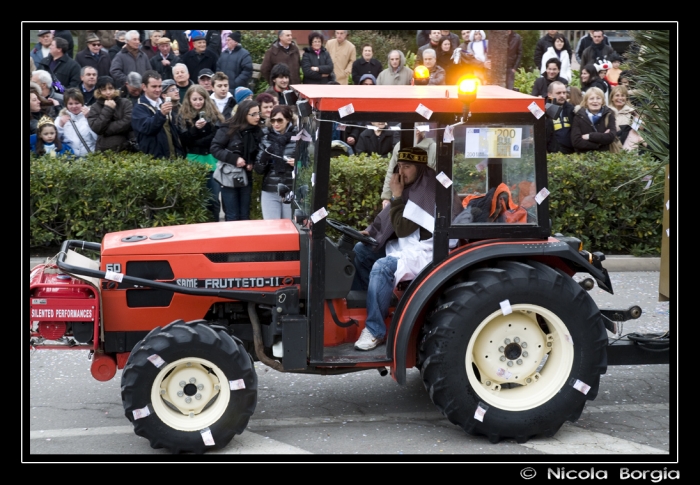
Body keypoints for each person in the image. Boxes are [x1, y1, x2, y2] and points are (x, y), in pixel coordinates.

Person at [352, 147, 439, 350]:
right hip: (407, 245)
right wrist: (370, 232)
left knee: (382, 266)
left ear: (419, 168)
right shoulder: (412, 184)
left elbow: (401, 228)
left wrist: (397, 195)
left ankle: (375, 330)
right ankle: (374, 305)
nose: (401, 172)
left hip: (427, 251)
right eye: (399, 166)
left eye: (407, 167)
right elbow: (389, 221)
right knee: (361, 250)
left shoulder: (427, 189)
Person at [176, 84, 225, 221]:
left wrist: (198, 138)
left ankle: (215, 225)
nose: (198, 102)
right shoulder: (182, 115)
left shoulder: (214, 114)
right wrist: (196, 130)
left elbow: (216, 137)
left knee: (214, 199)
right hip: (193, 159)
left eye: (200, 99)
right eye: (195, 99)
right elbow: (184, 140)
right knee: (198, 200)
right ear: (189, 100)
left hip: (211, 159)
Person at [210, 99, 263, 221]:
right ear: (244, 114)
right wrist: (234, 159)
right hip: (230, 176)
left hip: (247, 176)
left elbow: (258, 151)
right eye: (253, 114)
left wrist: (252, 162)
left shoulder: (257, 131)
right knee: (232, 215)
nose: (257, 117)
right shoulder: (228, 128)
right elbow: (215, 148)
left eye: (258, 113)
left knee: (244, 215)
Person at [254, 104, 298, 220]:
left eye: (279, 120)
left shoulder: (299, 137)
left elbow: (310, 163)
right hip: (270, 189)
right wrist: (265, 156)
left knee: (290, 229)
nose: (275, 124)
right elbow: (258, 169)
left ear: (288, 119)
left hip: (291, 189)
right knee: (271, 229)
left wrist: (298, 163)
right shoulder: (266, 137)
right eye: (272, 120)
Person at [130, 70, 184, 159]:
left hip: (173, 157)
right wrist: (161, 114)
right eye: (154, 86)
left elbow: (174, 132)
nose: (158, 90)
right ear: (144, 87)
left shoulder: (164, 103)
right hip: (154, 160)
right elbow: (147, 128)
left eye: (160, 86)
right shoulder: (139, 108)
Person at [380, 128, 437, 207]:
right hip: (402, 194)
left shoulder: (433, 148)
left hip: (423, 195)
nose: (401, 172)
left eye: (406, 166)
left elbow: (434, 175)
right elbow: (391, 171)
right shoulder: (399, 146)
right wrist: (387, 197)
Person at [87, 75, 134, 153]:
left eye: (110, 88)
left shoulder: (125, 102)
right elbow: (97, 128)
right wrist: (108, 109)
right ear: (99, 91)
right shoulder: (95, 107)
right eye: (104, 89)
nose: (108, 92)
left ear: (115, 89)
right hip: (104, 149)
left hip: (126, 147)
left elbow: (129, 122)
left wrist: (105, 131)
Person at [571, 87, 617, 153]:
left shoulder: (609, 115)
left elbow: (611, 137)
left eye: (598, 98)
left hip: (605, 158)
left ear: (602, 101)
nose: (595, 101)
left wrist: (589, 136)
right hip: (584, 158)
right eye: (591, 98)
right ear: (586, 102)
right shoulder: (578, 116)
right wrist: (599, 143)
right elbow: (576, 142)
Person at [55, 88, 98, 157]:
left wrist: (89, 119)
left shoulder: (92, 114)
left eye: (77, 103)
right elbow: (54, 140)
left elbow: (97, 137)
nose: (74, 106)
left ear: (82, 103)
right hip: (70, 160)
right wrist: (60, 126)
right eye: (70, 104)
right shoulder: (60, 118)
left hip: (90, 158)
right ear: (66, 105)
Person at [609, 85, 645, 151]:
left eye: (622, 96)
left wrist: (639, 120)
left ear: (626, 98)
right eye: (617, 95)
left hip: (627, 146)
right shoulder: (606, 112)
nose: (620, 98)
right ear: (612, 98)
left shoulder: (632, 112)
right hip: (610, 145)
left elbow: (640, 129)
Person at [544, 81, 575, 154]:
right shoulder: (542, 111)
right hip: (551, 154)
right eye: (558, 93)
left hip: (571, 154)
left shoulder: (572, 110)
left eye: (564, 93)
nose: (562, 95)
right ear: (549, 94)